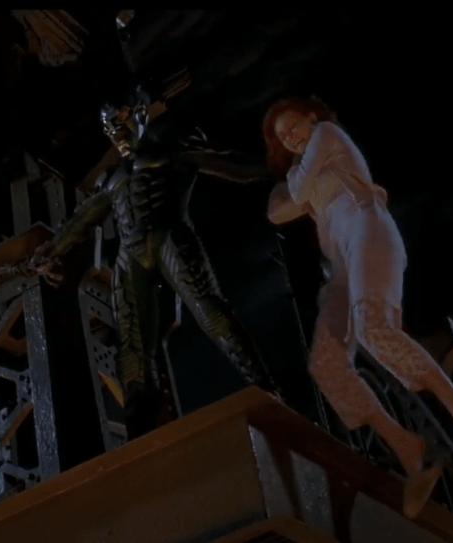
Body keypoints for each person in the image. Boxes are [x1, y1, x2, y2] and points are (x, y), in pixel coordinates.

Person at [261, 97, 453, 519]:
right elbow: (274, 211)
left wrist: (301, 186)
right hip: (343, 259)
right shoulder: (312, 169)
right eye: (283, 137)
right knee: (328, 366)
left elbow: (294, 194)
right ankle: (412, 453)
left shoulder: (326, 135)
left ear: (312, 116)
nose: (292, 137)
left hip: (367, 228)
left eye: (294, 125)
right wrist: (302, 186)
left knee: (373, 327)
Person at [32, 86, 283, 438]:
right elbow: (81, 220)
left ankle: (267, 389)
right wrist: (51, 250)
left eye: (120, 121)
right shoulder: (111, 178)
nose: (116, 133)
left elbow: (236, 167)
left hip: (169, 238)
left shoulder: (173, 152)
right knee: (133, 347)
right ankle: (140, 431)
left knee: (210, 311)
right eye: (109, 128)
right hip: (131, 256)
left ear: (138, 114)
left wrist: (282, 162)